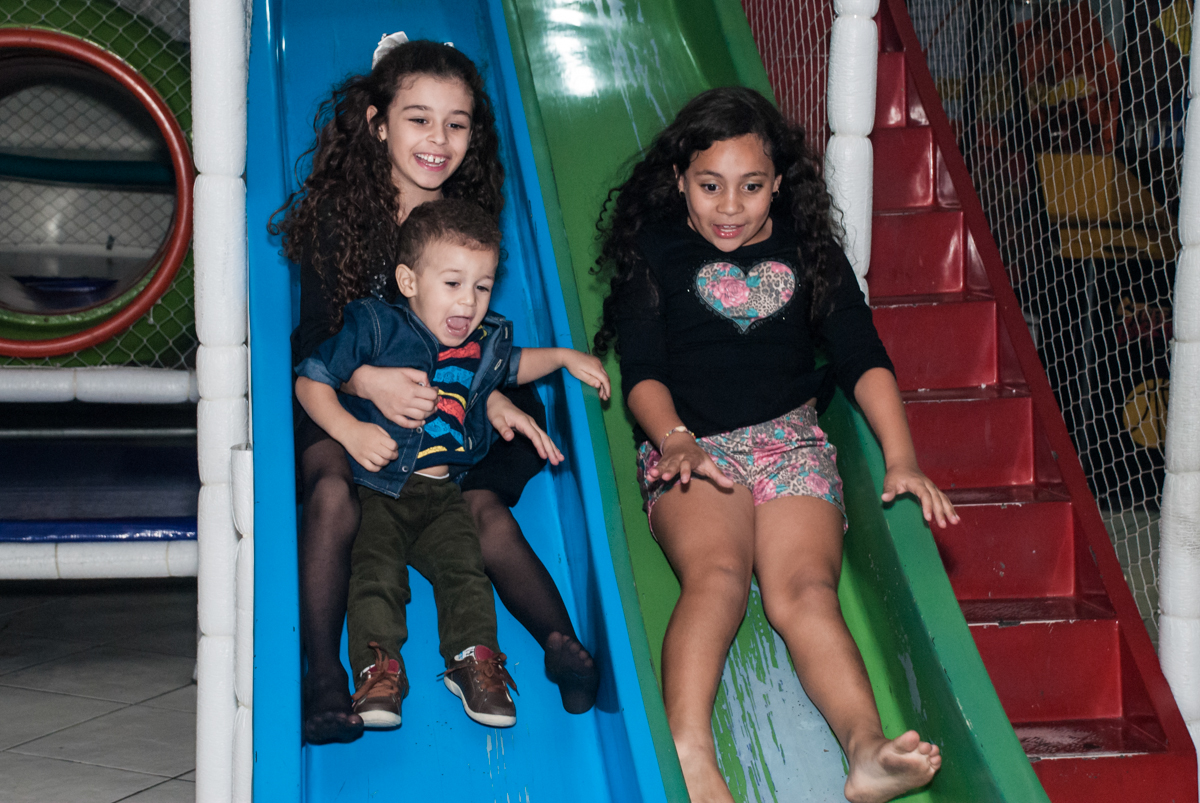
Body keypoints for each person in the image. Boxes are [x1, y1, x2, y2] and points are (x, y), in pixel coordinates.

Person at [592, 87, 960, 803]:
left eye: (751, 186)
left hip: (791, 440)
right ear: (679, 181)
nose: (730, 206)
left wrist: (901, 454)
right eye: (710, 185)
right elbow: (642, 373)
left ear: (779, 184)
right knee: (720, 576)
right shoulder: (657, 251)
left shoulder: (808, 248)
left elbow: (861, 354)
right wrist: (673, 439)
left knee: (805, 591)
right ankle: (691, 751)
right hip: (693, 447)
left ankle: (866, 748)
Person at [270, 35, 599, 745]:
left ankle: (558, 642)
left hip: (457, 401)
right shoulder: (341, 217)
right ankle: (324, 674)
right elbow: (314, 342)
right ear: (377, 122)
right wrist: (368, 381)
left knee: (475, 505)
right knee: (331, 490)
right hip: (349, 395)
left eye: (457, 122)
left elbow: (477, 334)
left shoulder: (465, 215)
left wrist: (491, 396)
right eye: (418, 118)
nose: (438, 139)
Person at [295, 199, 610, 730]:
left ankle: (474, 666)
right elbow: (312, 378)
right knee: (376, 576)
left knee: (467, 578)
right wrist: (351, 430)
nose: (469, 302)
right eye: (453, 284)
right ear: (409, 280)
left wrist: (561, 357)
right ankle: (378, 669)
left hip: (443, 495)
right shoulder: (377, 327)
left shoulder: (481, 343)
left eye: (482, 287)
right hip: (379, 488)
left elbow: (514, 365)